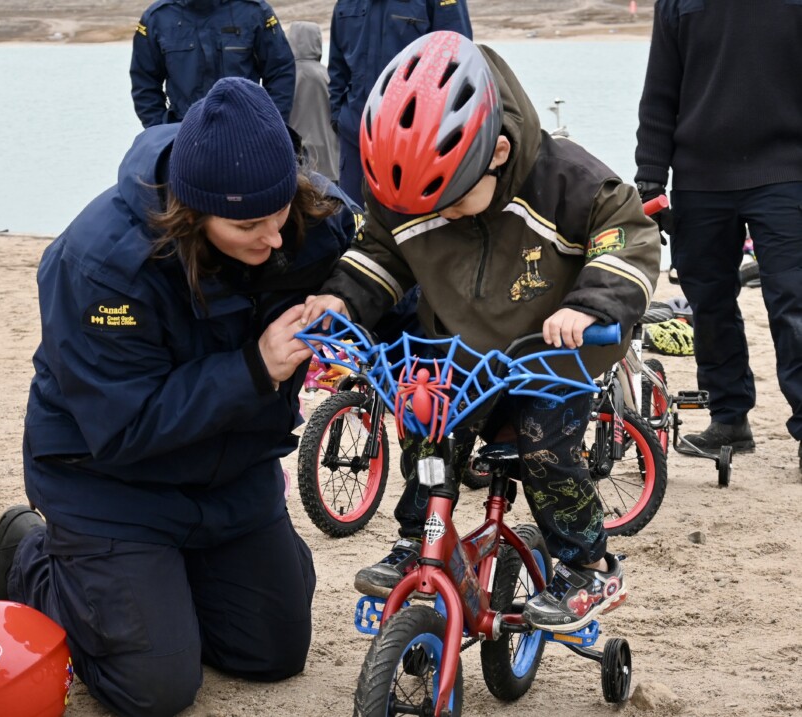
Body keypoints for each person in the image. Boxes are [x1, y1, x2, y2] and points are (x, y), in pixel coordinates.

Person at [0, 77, 357, 717]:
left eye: (281, 210)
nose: (276, 239)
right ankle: (28, 556)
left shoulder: (309, 213)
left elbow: (390, 267)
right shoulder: (98, 264)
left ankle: (167, 587)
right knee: (155, 691)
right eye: (249, 225)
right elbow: (122, 427)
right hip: (111, 484)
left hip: (234, 477)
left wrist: (355, 299)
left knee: (273, 654)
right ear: (192, 211)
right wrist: (255, 369)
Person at [302, 31, 661, 633]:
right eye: (418, 206)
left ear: (495, 152)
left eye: (447, 201)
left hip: (555, 354)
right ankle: (420, 540)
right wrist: (339, 301)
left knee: (544, 445)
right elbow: (381, 255)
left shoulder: (568, 181)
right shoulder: (411, 193)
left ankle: (590, 567)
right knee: (426, 418)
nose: (432, 216)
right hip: (464, 348)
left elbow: (627, 238)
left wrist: (593, 304)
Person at [635, 0, 802, 469]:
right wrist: (650, 177)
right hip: (699, 179)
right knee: (707, 303)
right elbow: (660, 90)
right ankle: (729, 419)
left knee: (794, 303)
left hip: (787, 172)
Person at [327, 0, 472, 205]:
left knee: (410, 226)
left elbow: (459, 62)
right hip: (355, 138)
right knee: (352, 223)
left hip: (415, 141)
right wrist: (339, 119)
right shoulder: (345, 4)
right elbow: (337, 67)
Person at [130, 0, 295, 128]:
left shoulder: (254, 12)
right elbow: (144, 83)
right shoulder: (157, 18)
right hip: (182, 137)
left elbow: (281, 73)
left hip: (246, 133)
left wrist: (270, 126)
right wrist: (162, 132)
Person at [286, 21, 340, 183]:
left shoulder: (285, 77)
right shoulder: (328, 76)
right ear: (317, 42)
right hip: (328, 157)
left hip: (296, 156)